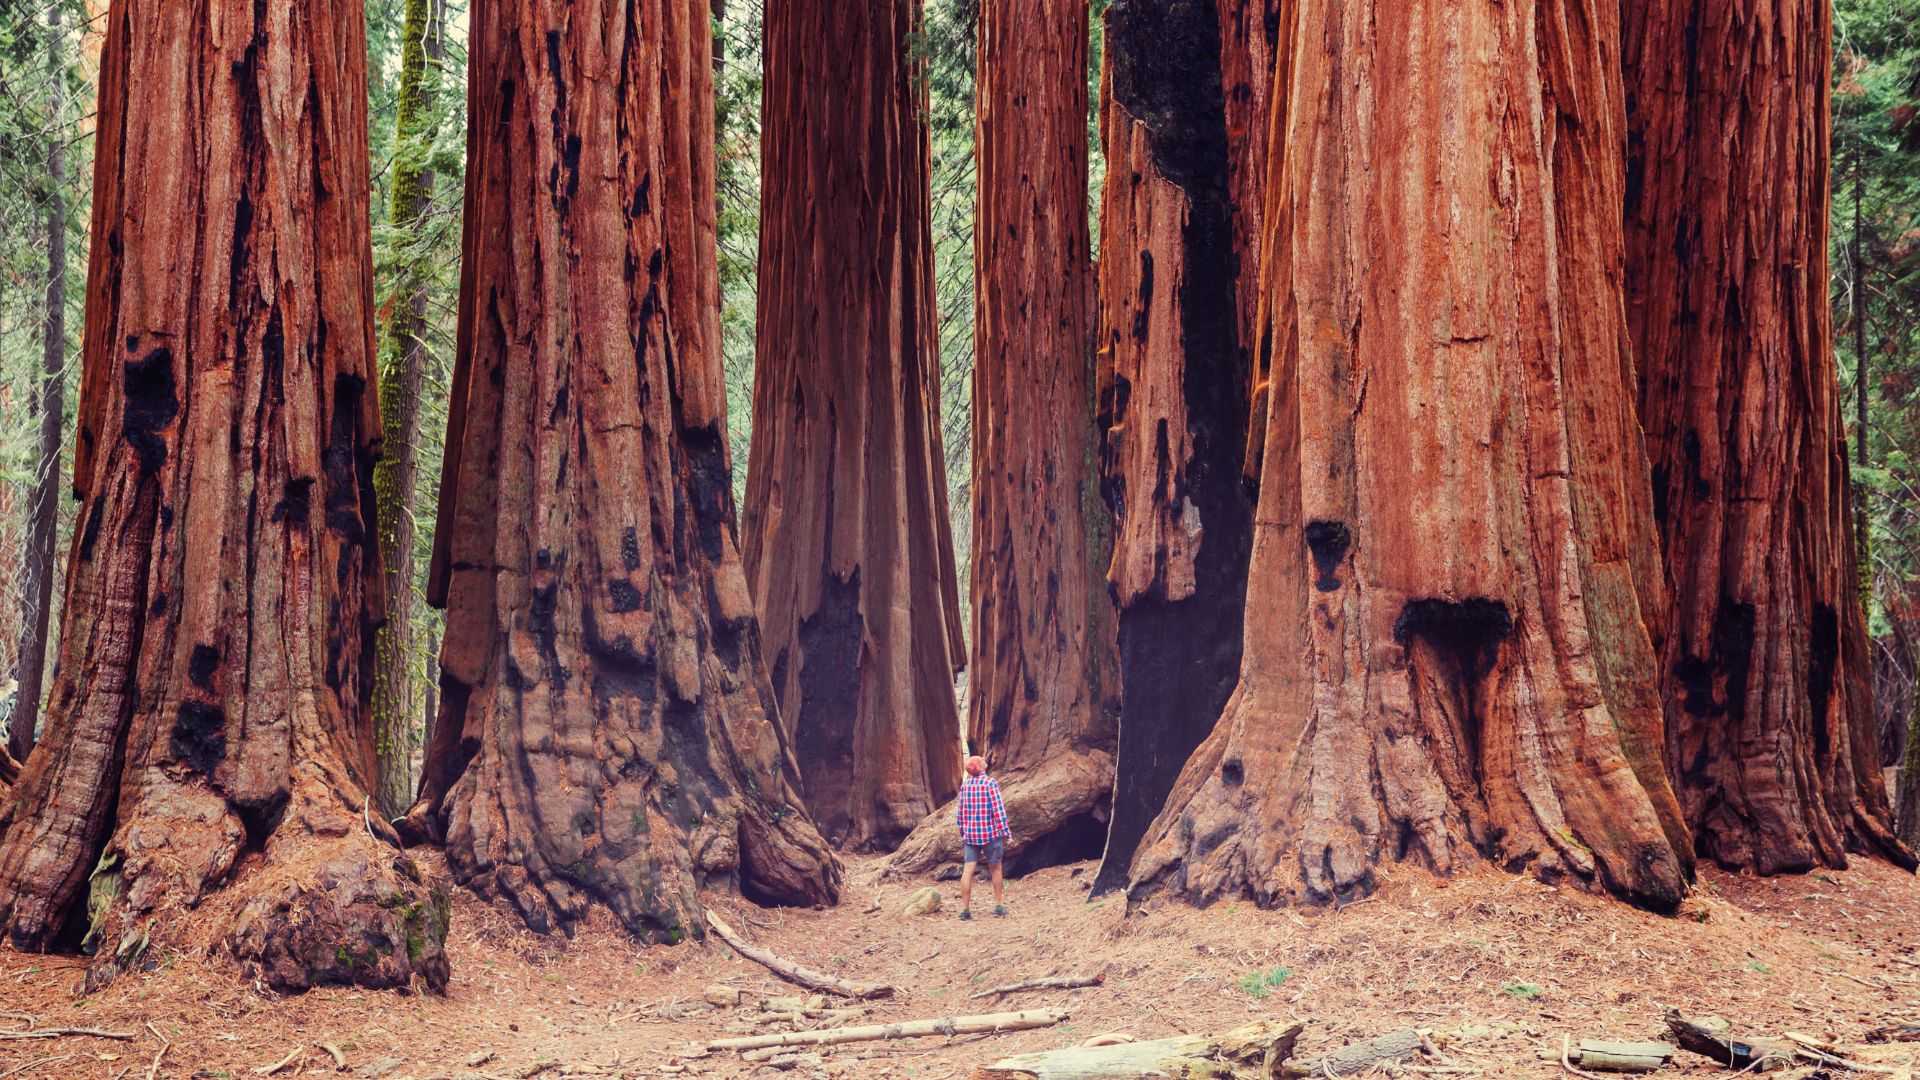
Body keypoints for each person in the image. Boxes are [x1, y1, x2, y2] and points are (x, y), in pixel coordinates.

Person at [955, 755, 1010, 920]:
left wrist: (963, 832)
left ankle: (965, 910)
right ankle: (998, 907)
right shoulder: (990, 783)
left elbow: (960, 814)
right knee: (996, 868)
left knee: (967, 871)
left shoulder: (965, 786)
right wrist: (1006, 832)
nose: (984, 759)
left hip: (970, 836)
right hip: (991, 835)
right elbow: (998, 810)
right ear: (980, 766)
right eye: (981, 759)